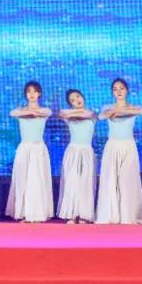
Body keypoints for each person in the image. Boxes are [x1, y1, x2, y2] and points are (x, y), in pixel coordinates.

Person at [96, 78, 142, 224]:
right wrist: (120, 111)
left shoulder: (135, 107)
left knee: (127, 180)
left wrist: (118, 112)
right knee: (110, 180)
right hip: (112, 146)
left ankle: (127, 216)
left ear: (127, 90)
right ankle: (110, 215)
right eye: (115, 89)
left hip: (128, 146)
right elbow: (101, 116)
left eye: (121, 88)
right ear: (112, 92)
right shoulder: (107, 107)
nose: (118, 91)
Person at [7, 81, 54, 222]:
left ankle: (37, 213)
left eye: (34, 91)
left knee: (37, 180)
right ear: (25, 94)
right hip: (24, 148)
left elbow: (45, 113)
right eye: (29, 91)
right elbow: (12, 113)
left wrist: (30, 112)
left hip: (38, 149)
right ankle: (24, 212)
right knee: (23, 180)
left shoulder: (45, 110)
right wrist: (29, 112)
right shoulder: (19, 111)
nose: (32, 94)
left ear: (39, 93)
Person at [57, 89, 97, 224]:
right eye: (72, 100)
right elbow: (61, 113)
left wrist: (73, 113)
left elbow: (88, 114)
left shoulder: (92, 114)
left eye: (78, 97)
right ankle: (72, 214)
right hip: (73, 151)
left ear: (83, 97)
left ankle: (84, 215)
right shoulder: (68, 116)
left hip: (87, 151)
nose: (77, 101)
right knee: (72, 182)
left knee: (85, 183)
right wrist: (73, 113)